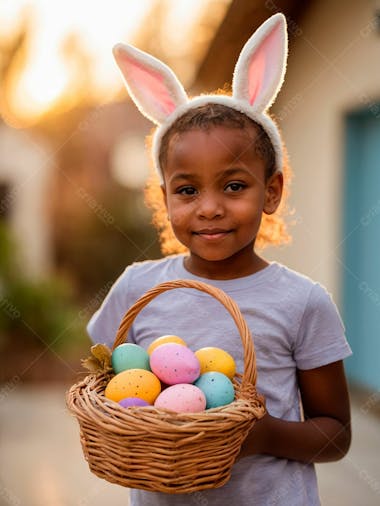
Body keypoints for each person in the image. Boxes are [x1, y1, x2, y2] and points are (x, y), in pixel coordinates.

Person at [87, 13, 352, 505]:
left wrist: (262, 435)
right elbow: (109, 379)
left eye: (234, 186)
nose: (209, 207)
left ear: (271, 192)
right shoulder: (136, 288)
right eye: (187, 190)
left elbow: (336, 434)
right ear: (164, 198)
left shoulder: (302, 301)